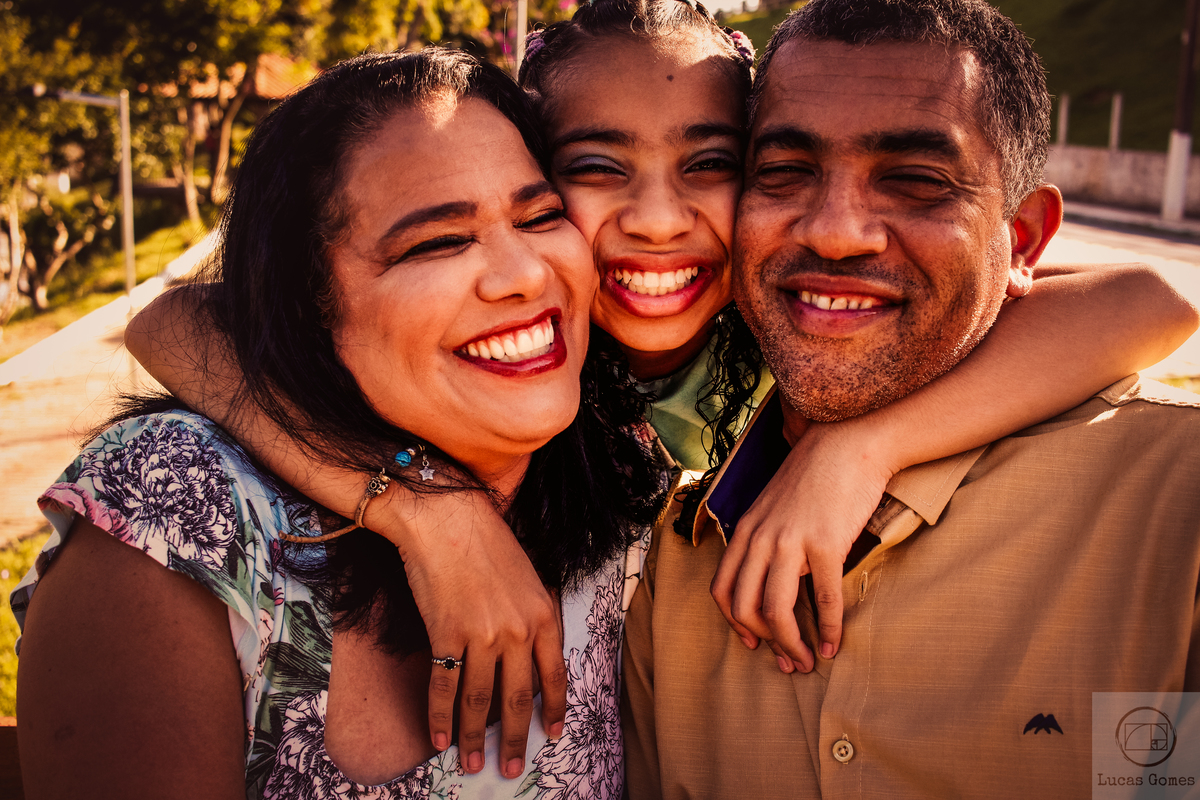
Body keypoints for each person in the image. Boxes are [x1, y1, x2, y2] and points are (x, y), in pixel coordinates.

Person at [127, 0, 1199, 767]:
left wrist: (858, 446)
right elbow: (176, 321)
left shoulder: (769, 333)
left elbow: (1150, 301)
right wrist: (429, 512)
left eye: (712, 162)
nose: (654, 218)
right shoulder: (508, 364)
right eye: (593, 170)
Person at [11, 48, 666, 798]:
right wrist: (431, 512)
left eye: (540, 215)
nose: (523, 273)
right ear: (312, 309)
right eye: (437, 241)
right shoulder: (185, 514)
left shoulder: (618, 486)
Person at [620, 0, 1200, 796]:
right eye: (785, 172)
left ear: (1022, 239)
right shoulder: (667, 568)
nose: (836, 233)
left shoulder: (1168, 512)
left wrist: (860, 445)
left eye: (917, 181)